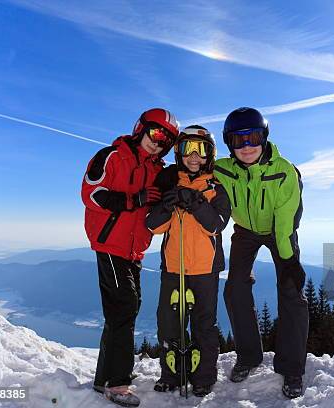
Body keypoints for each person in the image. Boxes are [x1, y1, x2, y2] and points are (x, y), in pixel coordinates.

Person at [81, 108, 179, 407]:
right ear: (141, 128)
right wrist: (131, 199)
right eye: (156, 133)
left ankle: (104, 377)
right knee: (124, 305)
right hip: (110, 243)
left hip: (134, 248)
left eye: (167, 141)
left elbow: (156, 206)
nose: (159, 143)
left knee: (124, 307)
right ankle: (117, 382)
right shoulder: (111, 156)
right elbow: (92, 194)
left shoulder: (157, 169)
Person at [213, 107, 309, 399]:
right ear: (229, 143)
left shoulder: (284, 171)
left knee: (292, 290)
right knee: (235, 288)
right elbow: (190, 167)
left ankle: (291, 368)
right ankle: (249, 356)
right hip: (244, 232)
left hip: (279, 231)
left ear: (265, 136)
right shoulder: (222, 169)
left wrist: (290, 260)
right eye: (237, 140)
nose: (246, 146)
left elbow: (285, 221)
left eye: (253, 137)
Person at [146, 125, 230, 398]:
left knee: (204, 325)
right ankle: (171, 374)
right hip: (173, 267)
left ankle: (203, 376)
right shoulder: (169, 184)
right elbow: (153, 226)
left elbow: (216, 225)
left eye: (201, 149)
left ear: (210, 154)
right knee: (169, 323)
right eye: (187, 149)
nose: (194, 156)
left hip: (205, 269)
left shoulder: (216, 188)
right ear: (178, 153)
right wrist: (166, 205)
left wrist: (195, 202)